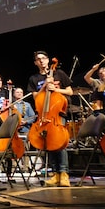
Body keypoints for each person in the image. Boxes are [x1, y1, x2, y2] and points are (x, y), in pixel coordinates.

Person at [27, 50, 74, 187]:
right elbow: (36, 97)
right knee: (49, 144)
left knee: (60, 143)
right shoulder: (34, 78)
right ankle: (55, 174)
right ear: (35, 63)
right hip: (44, 115)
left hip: (58, 114)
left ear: (48, 60)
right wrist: (44, 86)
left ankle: (64, 173)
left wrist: (55, 89)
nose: (41, 61)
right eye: (38, 59)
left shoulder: (59, 73)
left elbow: (70, 92)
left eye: (43, 58)